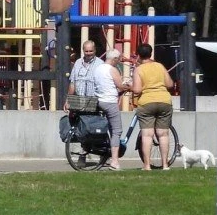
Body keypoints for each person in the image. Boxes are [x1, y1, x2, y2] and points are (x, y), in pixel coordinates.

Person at [67, 39, 126, 170]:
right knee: (83, 129)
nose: (88, 54)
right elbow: (73, 82)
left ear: (95, 51)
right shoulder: (78, 63)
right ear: (83, 51)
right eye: (86, 51)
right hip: (81, 101)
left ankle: (103, 154)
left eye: (91, 51)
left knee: (96, 128)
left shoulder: (100, 64)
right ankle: (83, 154)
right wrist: (68, 100)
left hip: (95, 101)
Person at [131, 42, 176, 170]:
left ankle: (147, 165)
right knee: (163, 134)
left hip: (147, 102)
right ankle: (165, 165)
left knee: (147, 135)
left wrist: (130, 86)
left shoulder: (139, 69)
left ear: (138, 55)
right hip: (164, 100)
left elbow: (137, 90)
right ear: (151, 54)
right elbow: (170, 84)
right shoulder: (160, 66)